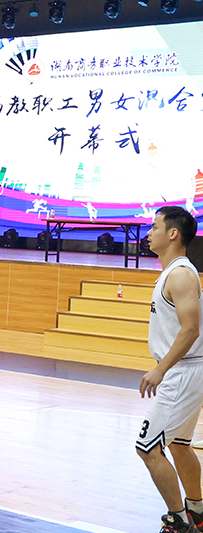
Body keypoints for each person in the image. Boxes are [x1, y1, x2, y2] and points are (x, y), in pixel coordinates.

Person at [136, 206, 203, 533]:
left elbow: (190, 330)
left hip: (183, 371)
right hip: (189, 370)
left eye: (155, 226)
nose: (149, 232)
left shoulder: (180, 274)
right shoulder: (175, 272)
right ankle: (198, 513)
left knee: (147, 447)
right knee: (179, 444)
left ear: (173, 233)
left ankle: (178, 521)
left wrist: (160, 369)